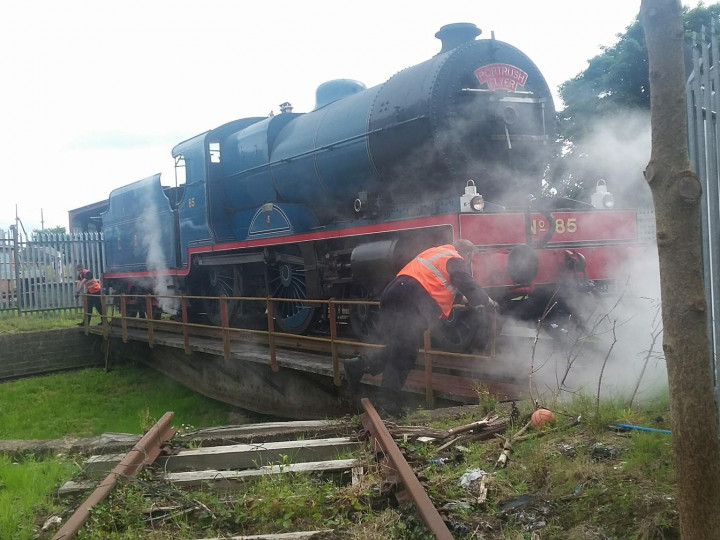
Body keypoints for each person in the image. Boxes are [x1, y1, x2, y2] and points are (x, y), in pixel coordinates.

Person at [342, 239, 497, 418]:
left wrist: (465, 300)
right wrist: (487, 301)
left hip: (396, 293)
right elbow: (467, 283)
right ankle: (386, 404)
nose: (469, 263)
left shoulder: (437, 253)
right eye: (471, 259)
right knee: (404, 353)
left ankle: (358, 366)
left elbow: (438, 285)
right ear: (467, 254)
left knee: (398, 347)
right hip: (409, 301)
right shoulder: (455, 259)